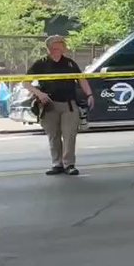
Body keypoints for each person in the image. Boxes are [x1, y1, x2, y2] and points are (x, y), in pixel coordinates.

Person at [24, 35, 94, 176]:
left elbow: (81, 80)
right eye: (58, 44)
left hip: (68, 104)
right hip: (49, 105)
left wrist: (90, 95)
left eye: (62, 44)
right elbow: (26, 82)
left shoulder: (70, 63)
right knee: (53, 136)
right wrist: (39, 93)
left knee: (69, 135)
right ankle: (57, 164)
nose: (61, 47)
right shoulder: (41, 63)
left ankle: (69, 164)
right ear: (51, 48)